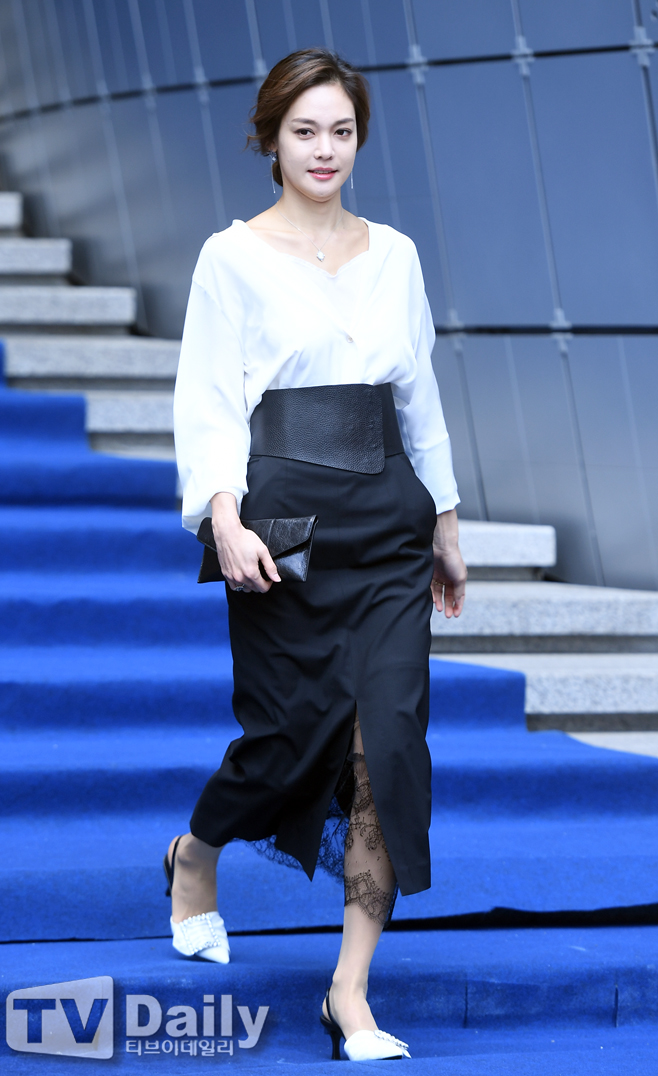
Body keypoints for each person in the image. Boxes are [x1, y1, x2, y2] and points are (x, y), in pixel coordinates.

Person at [169, 47, 467, 1063]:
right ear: (271, 139)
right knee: (287, 739)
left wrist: (446, 522)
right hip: (283, 525)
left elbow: (419, 394)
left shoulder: (396, 255)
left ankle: (350, 990)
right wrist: (224, 517)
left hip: (388, 526)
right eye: (305, 131)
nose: (325, 149)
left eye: (341, 130)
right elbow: (210, 400)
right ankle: (195, 851)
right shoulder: (230, 257)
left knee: (389, 747)